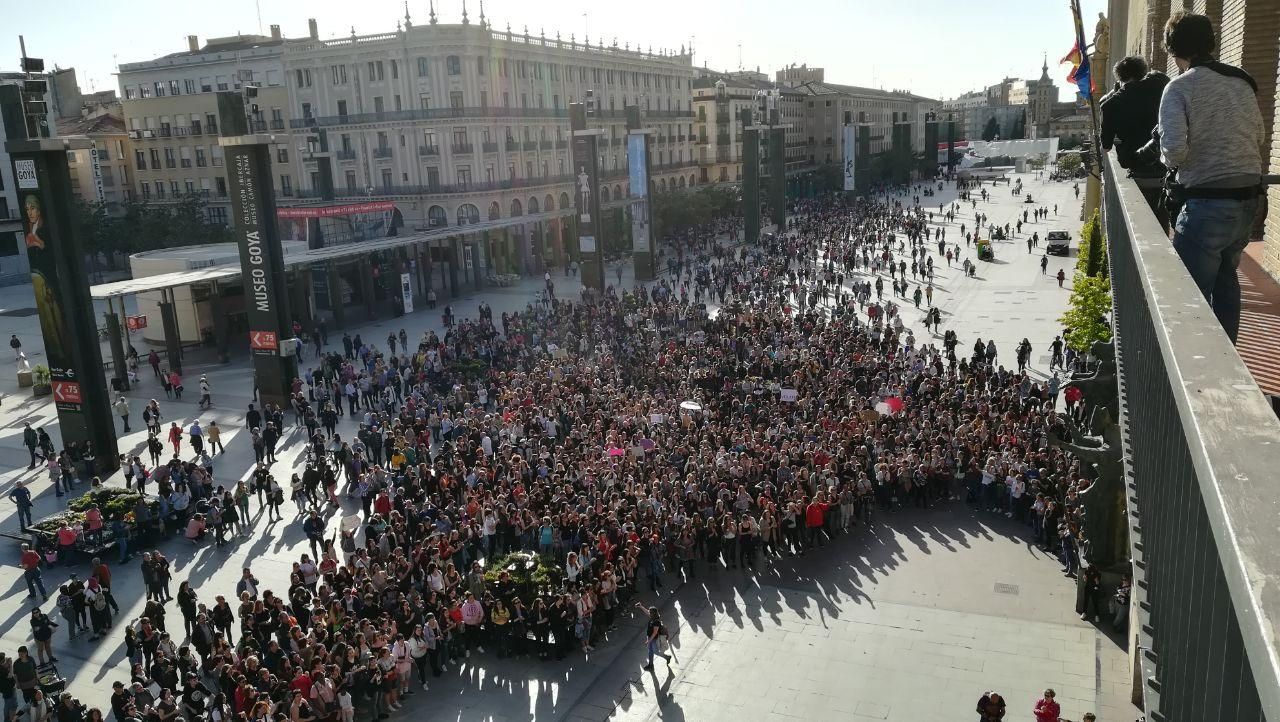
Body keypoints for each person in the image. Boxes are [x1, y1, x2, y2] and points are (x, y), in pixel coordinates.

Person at [1146, 11, 1264, 343]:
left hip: (1207, 204)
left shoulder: (1179, 88)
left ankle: (1194, 364)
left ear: (1173, 50)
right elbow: (1259, 135)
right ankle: (1227, 356)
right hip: (1248, 201)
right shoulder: (1241, 80)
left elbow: (1175, 152)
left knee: (1188, 295)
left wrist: (1164, 151)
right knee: (1227, 281)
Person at [635, 603, 671, 671]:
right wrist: (641, 606)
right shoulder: (652, 618)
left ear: (653, 613)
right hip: (649, 637)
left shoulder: (656, 621)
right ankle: (650, 665)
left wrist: (649, 641)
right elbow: (646, 612)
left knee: (656, 652)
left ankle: (667, 657)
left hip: (653, 639)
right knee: (650, 651)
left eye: (650, 612)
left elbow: (655, 633)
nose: (649, 612)